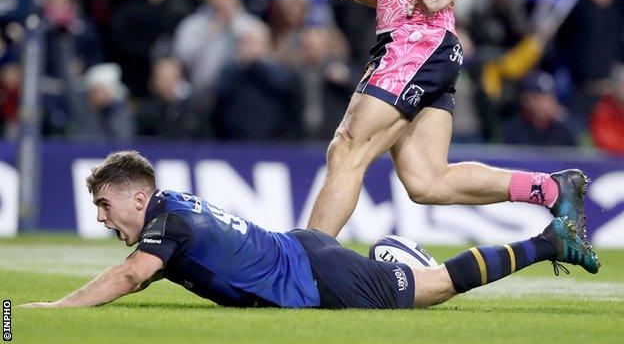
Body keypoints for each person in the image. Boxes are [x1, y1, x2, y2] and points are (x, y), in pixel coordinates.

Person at [20, 151, 599, 309]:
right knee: (420, 287)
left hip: (319, 276)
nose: (100, 218)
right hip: (304, 249)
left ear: (137, 198)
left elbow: (129, 278)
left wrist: (51, 310)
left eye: (103, 206)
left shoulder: (166, 223)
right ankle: (395, 260)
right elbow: (143, 270)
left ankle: (549, 241)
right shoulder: (170, 209)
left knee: (435, 289)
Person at [306, 0, 590, 242]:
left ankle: (304, 266)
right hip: (423, 42)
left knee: (347, 149)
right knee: (427, 181)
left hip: (416, 40)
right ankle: (550, 189)